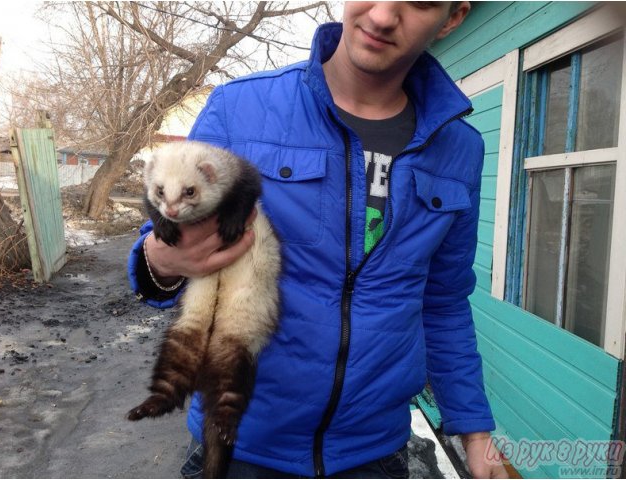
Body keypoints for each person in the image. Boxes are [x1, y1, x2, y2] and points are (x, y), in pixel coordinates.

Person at [127, 2, 509, 478]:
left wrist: (474, 431)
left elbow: (445, 302)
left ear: (452, 18)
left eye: (420, 1)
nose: (384, 15)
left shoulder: (460, 149)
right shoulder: (239, 111)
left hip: (373, 455)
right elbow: (163, 255)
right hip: (240, 448)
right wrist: (161, 261)